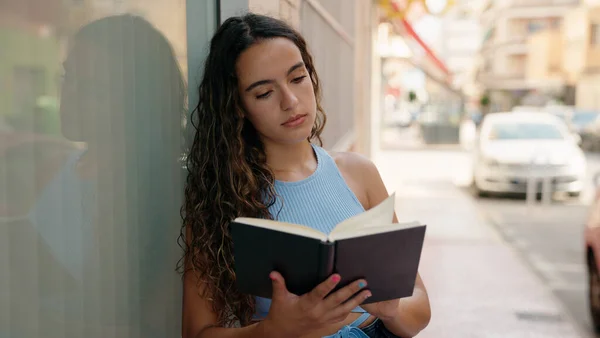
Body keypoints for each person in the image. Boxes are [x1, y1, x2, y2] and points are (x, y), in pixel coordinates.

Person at [180, 13, 431, 338]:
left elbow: (420, 307)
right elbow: (196, 333)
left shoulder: (359, 173)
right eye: (263, 93)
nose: (291, 101)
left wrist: (391, 309)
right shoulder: (222, 198)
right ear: (237, 106)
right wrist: (274, 330)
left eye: (297, 78)